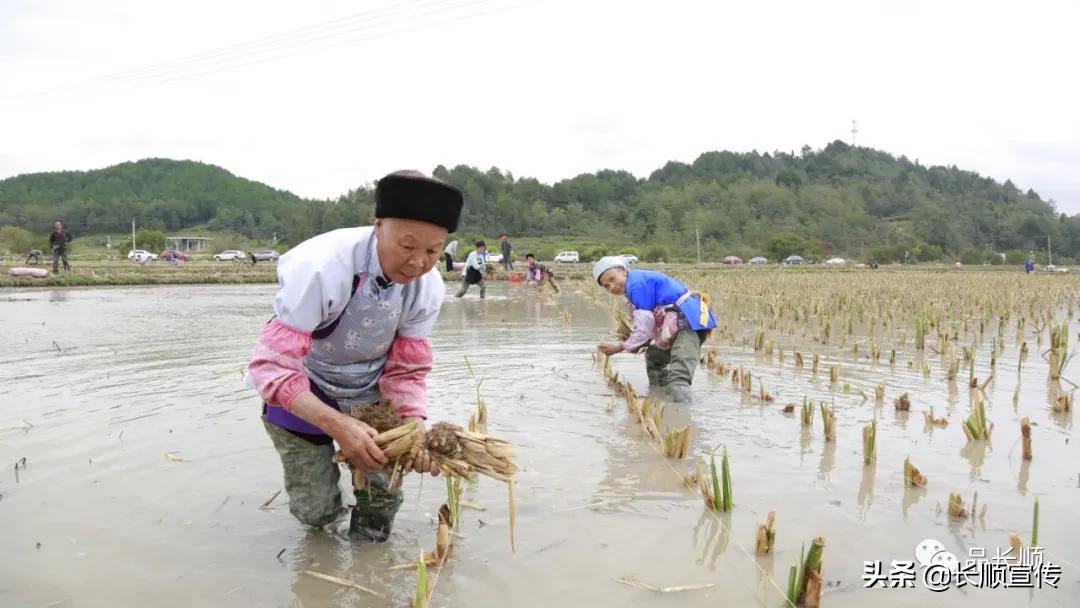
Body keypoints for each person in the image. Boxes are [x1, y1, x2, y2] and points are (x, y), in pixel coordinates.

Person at [247, 170, 463, 541]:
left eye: (433, 250)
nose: (418, 263)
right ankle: (324, 539)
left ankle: (369, 563)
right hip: (303, 386)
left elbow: (406, 373)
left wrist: (414, 432)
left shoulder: (427, 289)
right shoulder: (321, 268)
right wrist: (338, 425)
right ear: (378, 226)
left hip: (370, 392)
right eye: (407, 246)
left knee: (382, 502)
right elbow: (271, 368)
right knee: (315, 513)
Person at [593, 256, 716, 403]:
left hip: (688, 323)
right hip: (674, 325)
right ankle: (658, 400)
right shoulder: (634, 284)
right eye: (606, 286)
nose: (611, 286)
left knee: (678, 381)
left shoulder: (636, 285)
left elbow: (645, 329)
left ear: (623, 271)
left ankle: (682, 416)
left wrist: (619, 347)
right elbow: (648, 327)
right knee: (654, 357)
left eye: (612, 279)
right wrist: (634, 340)